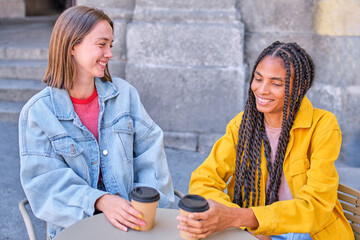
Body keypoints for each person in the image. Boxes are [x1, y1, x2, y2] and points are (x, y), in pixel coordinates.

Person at [19, 6, 174, 239]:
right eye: (102, 44)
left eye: (110, 45)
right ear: (72, 46)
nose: (110, 53)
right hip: (75, 230)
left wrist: (146, 210)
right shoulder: (39, 112)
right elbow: (45, 185)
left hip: (134, 225)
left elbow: (151, 156)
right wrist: (100, 201)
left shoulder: (125, 95)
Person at [176, 41, 354, 240]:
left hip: (309, 233)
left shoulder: (322, 126)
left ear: (300, 86)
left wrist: (243, 218)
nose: (262, 90)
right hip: (256, 230)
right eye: (258, 79)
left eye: (276, 83)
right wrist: (245, 224)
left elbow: (316, 207)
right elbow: (203, 180)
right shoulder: (242, 125)